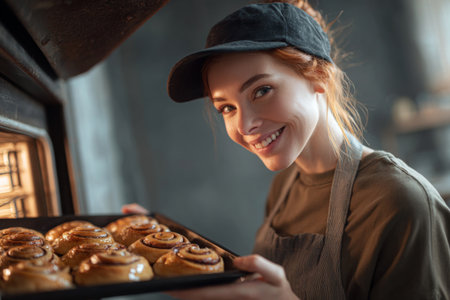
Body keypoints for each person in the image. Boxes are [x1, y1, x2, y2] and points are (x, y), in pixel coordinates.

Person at [124, 0, 450, 299]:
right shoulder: (285, 187)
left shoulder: (400, 202)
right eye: (226, 108)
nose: (245, 125)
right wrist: (168, 246)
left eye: (262, 90)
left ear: (318, 75)